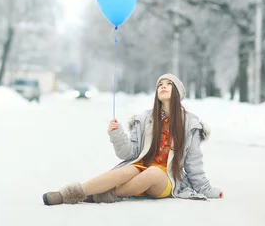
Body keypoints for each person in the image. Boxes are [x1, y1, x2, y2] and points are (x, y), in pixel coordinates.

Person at [42, 73, 223, 205]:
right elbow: (129, 153)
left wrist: (207, 190)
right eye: (160, 84)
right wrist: (116, 134)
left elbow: (194, 165)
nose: (163, 86)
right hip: (141, 169)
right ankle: (68, 194)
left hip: (166, 179)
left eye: (169, 84)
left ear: (177, 92)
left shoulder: (190, 124)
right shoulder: (145, 119)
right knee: (127, 170)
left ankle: (99, 195)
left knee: (153, 172)